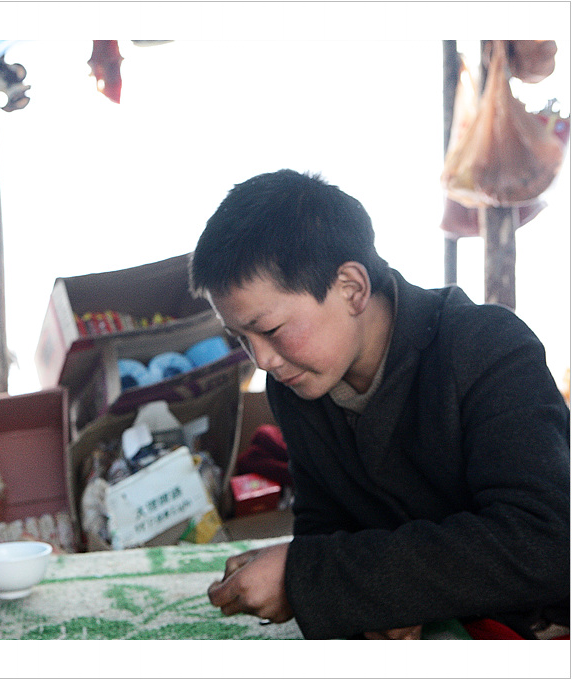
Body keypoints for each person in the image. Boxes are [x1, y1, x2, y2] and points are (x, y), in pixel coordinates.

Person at [193, 169, 570, 639]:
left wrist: (312, 579)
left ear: (351, 288)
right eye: (241, 338)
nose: (262, 360)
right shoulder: (297, 384)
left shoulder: (486, 347)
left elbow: (545, 542)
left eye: (270, 330)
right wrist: (372, 602)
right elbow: (325, 525)